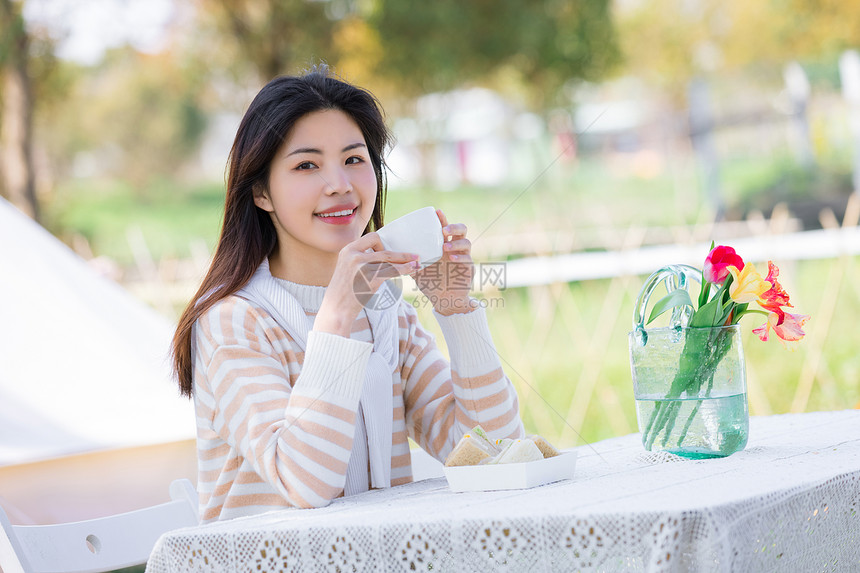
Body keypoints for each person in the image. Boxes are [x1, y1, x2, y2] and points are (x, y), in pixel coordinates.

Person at [171, 65, 524, 522]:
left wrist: (456, 309)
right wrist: (338, 312)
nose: (339, 184)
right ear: (261, 191)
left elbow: (496, 451)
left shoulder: (385, 311)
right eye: (306, 165)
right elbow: (305, 482)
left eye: (354, 159)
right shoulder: (234, 321)